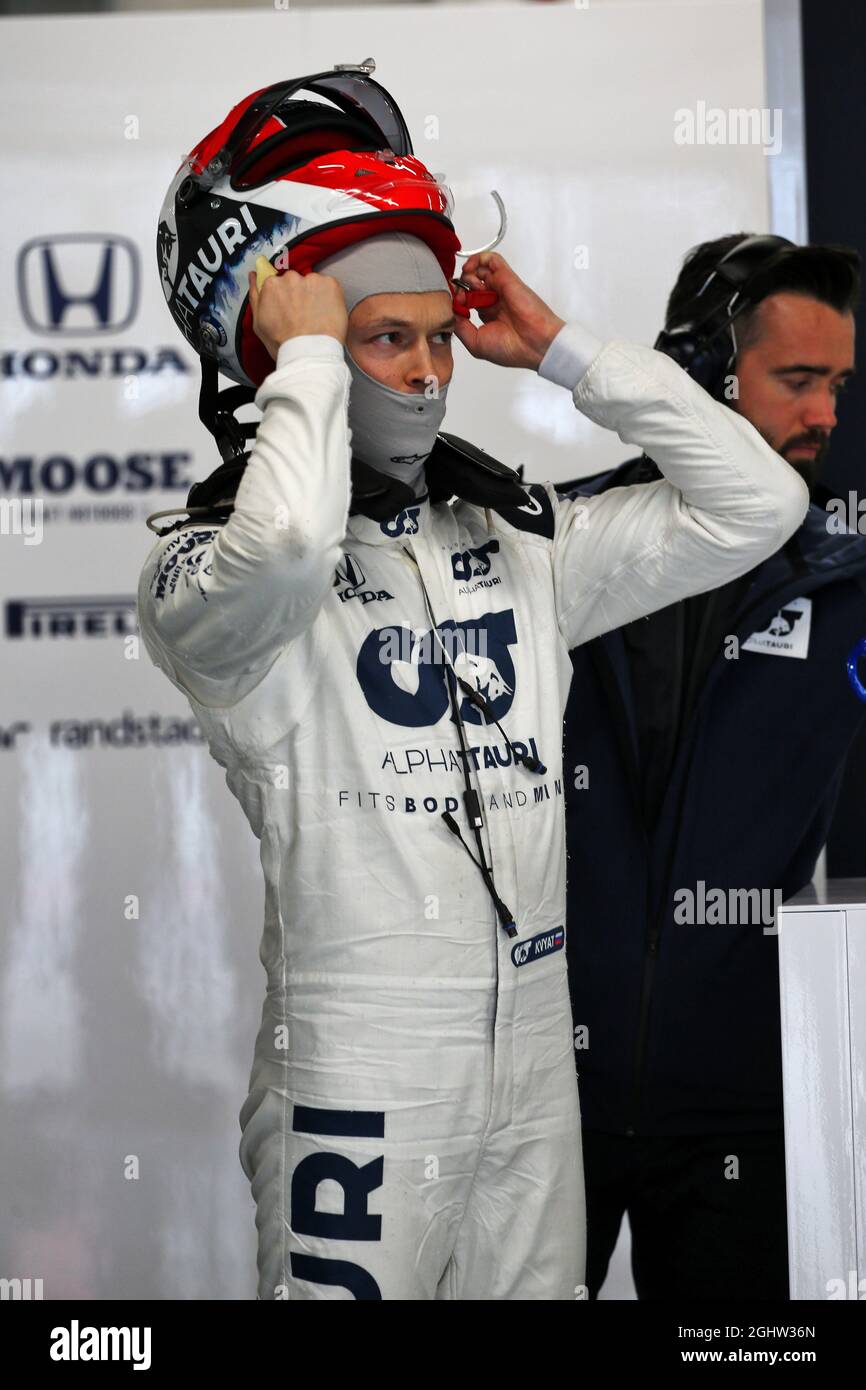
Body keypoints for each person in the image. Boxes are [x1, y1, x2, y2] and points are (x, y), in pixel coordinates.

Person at [140, 73, 809, 1300]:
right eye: (383, 338)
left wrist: (560, 350)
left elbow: (757, 505)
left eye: (437, 335)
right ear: (285, 352)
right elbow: (285, 542)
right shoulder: (206, 572)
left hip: (536, 1057)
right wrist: (302, 365)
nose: (428, 372)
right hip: (360, 1066)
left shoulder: (520, 538)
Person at [556, 233, 864, 1301]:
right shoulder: (550, 545)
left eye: (836, 385)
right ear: (698, 371)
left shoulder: (847, 588)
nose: (825, 414)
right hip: (541, 1097)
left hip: (747, 1113)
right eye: (797, 379)